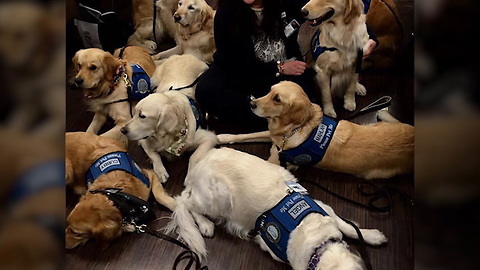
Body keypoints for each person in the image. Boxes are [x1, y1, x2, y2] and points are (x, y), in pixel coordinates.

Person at [195, 0, 317, 131]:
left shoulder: (285, 4)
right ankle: (274, 119)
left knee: (304, 93)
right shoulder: (226, 13)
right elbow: (232, 64)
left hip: (286, 71)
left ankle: (262, 118)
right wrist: (278, 67)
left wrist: (314, 15)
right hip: (243, 72)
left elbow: (314, 6)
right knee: (206, 91)